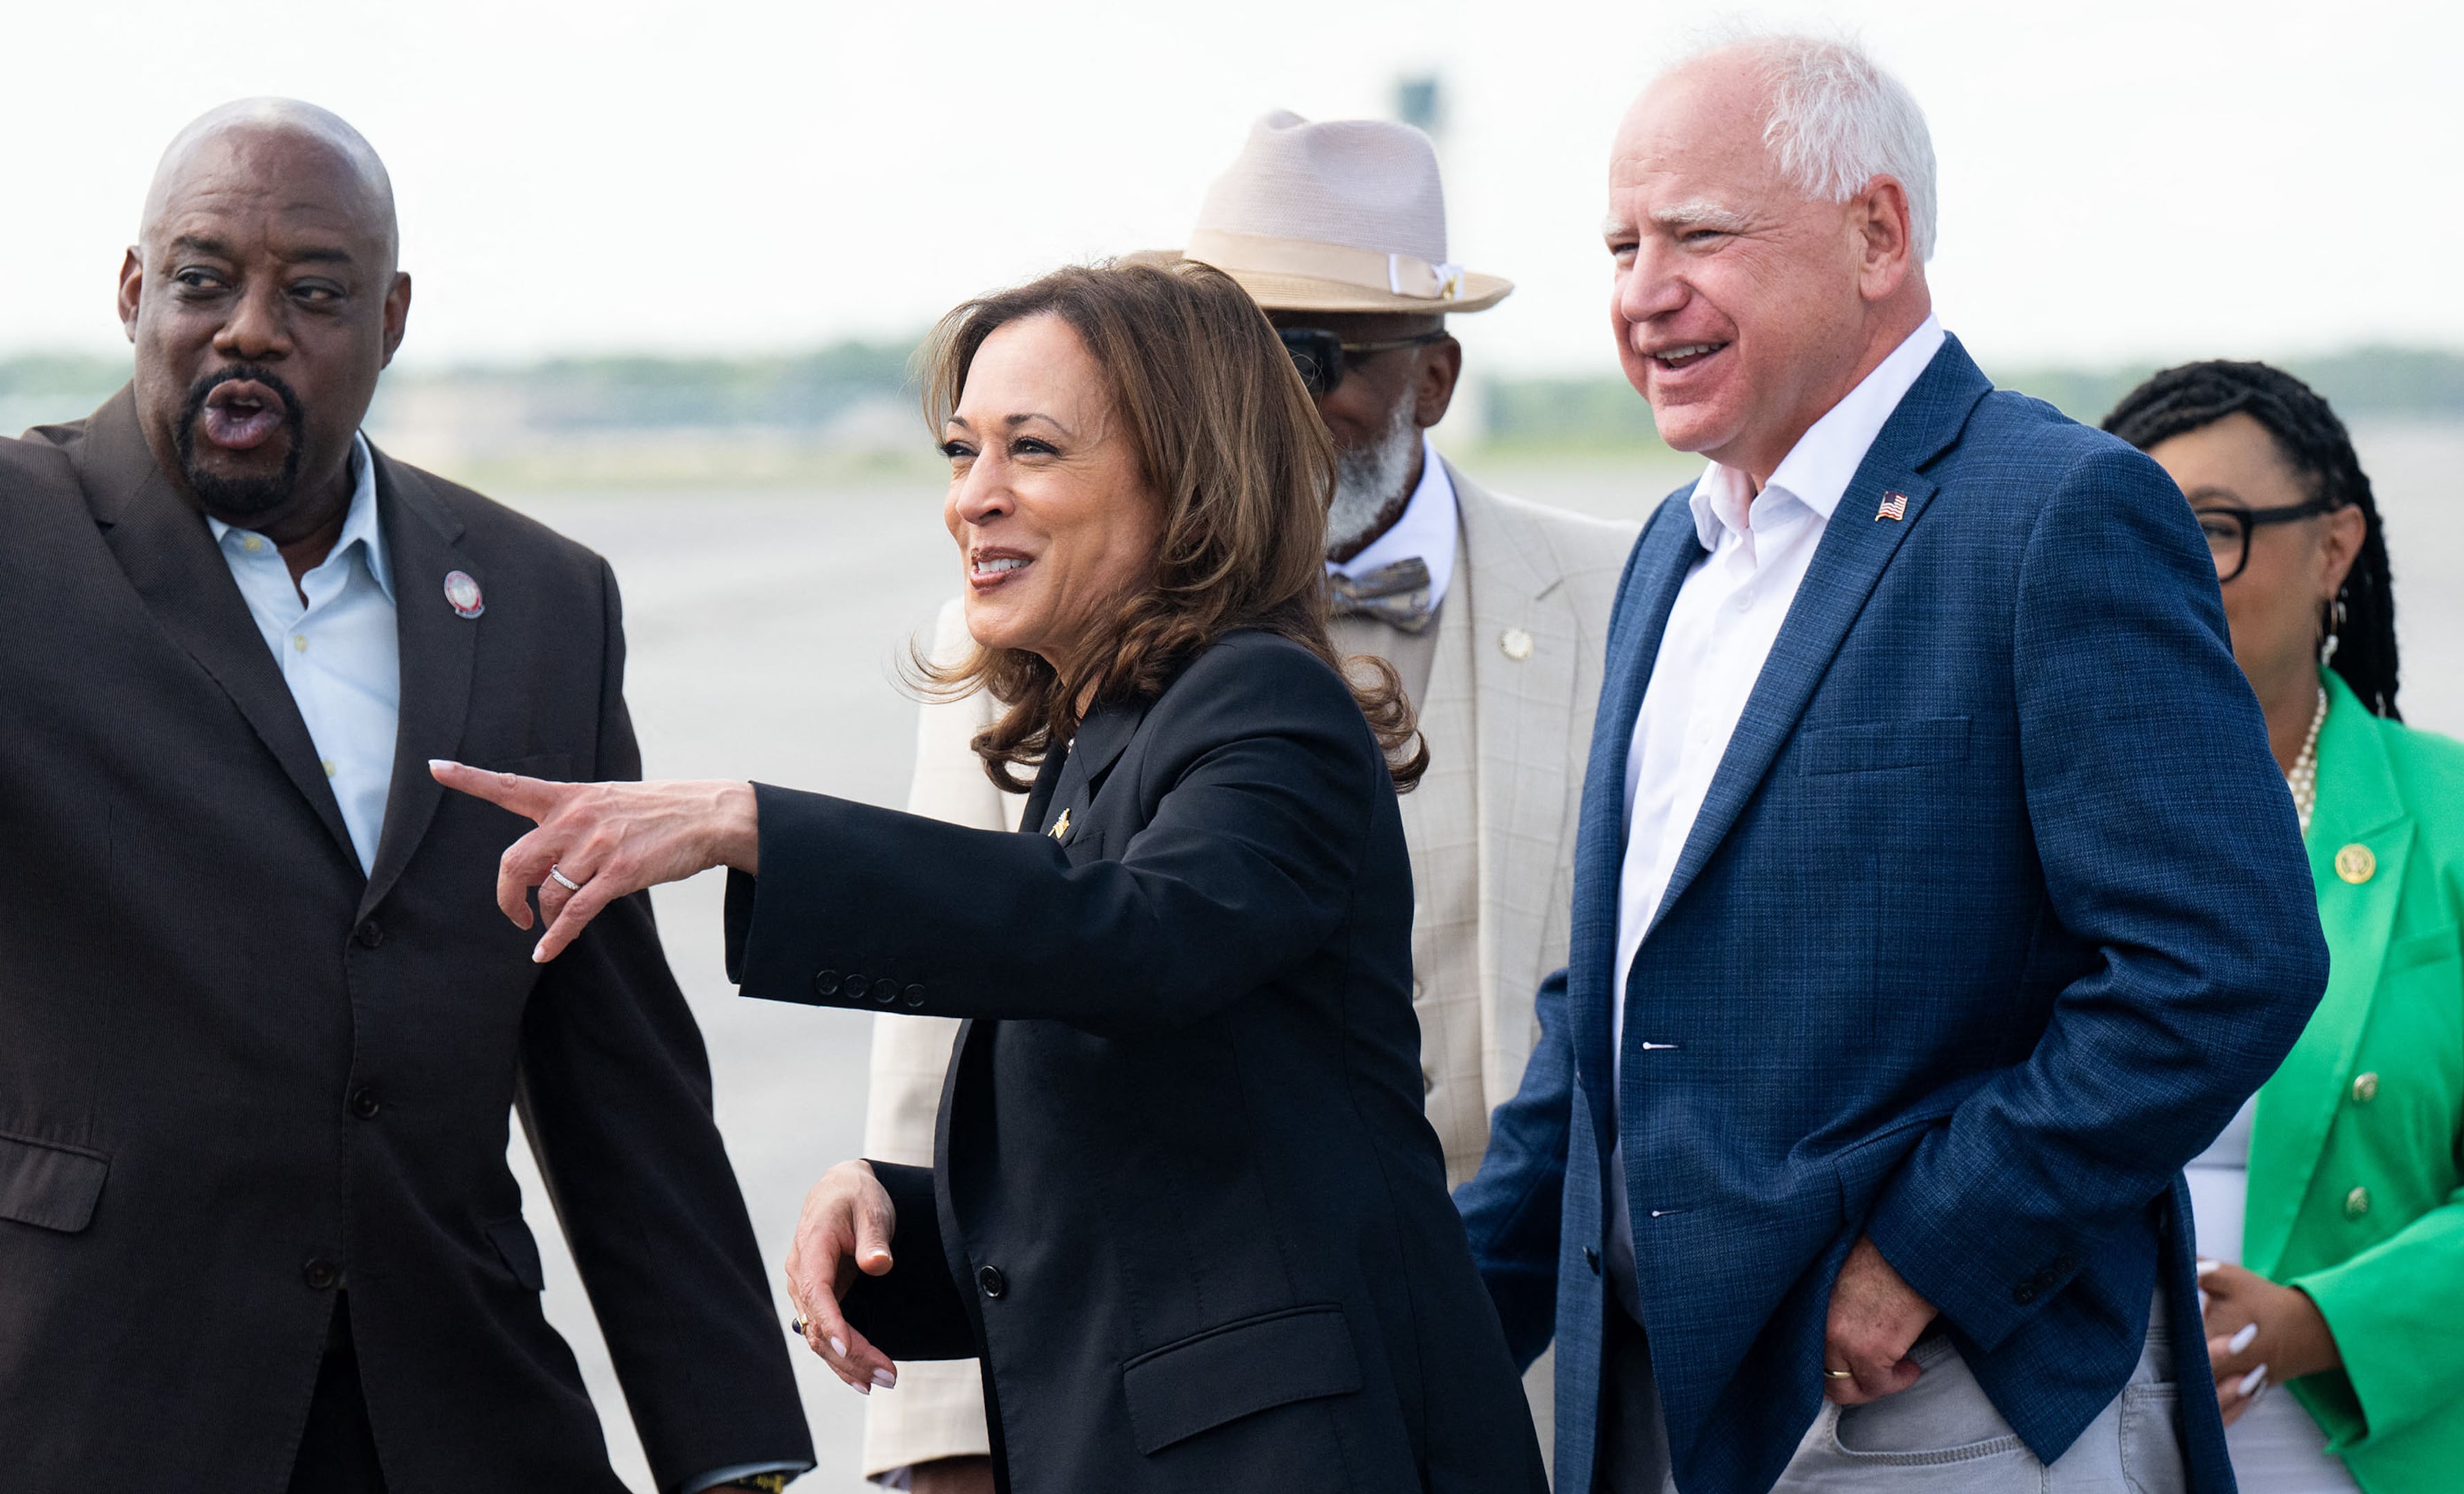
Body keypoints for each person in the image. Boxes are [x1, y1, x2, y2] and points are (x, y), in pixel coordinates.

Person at [434, 259, 1550, 1494]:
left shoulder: (1266, 701)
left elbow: (1138, 939)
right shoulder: (1098, 744)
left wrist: (748, 825)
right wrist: (896, 1229)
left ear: (1187, 479)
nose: (976, 498)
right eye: (962, 452)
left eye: (1033, 450)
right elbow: (1143, 1186)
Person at [1451, 34, 2331, 1494]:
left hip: (1926, 1401)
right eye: (1620, 245)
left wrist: (1930, 1250)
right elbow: (1614, 1003)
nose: (1641, 291)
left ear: (1877, 235)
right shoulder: (1676, 551)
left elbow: (2227, 961)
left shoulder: (2058, 512)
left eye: (1700, 236)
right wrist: (1445, 1328)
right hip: (1664, 1406)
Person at [0, 101, 809, 1491]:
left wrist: (731, 1452)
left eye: (313, 293)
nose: (250, 327)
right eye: (203, 282)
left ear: (391, 317)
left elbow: (611, 1056)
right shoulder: (17, 544)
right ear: (135, 295)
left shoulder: (544, 597)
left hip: (457, 1415)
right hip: (93, 1401)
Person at [862, 109, 1633, 1490]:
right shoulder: (1012, 632)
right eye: (1218, 348)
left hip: (1562, 1381)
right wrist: (942, 1437)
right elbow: (945, 1043)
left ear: (1437, 376)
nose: (1252, 397)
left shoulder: (1621, 599)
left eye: (1307, 356)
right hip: (1203, 1415)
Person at [2102, 361, 2464, 1494]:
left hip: (2403, 1442)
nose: (2177, 571)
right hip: (2086, 1436)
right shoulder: (2033, 820)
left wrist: (2304, 1326)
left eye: (2216, 527)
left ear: (2333, 548)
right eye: (2137, 532)